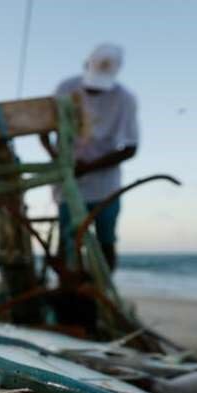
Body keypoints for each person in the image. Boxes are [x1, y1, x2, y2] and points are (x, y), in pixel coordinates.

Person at [41, 43, 139, 272]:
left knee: (106, 241)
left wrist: (89, 167)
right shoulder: (66, 87)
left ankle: (103, 293)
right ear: (86, 66)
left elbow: (131, 147)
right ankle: (66, 292)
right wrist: (60, 160)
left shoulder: (125, 99)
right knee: (67, 242)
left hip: (105, 187)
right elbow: (43, 130)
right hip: (67, 183)